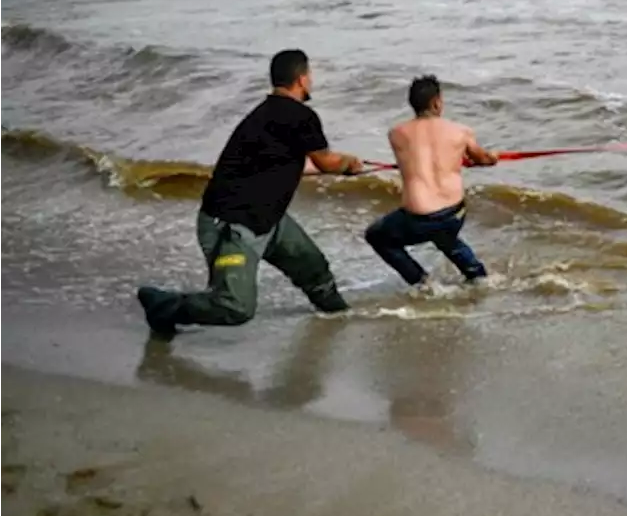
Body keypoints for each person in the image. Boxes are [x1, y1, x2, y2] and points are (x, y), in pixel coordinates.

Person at [136, 49, 366, 338]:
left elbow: (288, 163)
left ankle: (340, 320)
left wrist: (336, 165)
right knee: (235, 308)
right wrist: (349, 164)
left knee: (314, 270)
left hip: (267, 219)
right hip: (232, 224)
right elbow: (326, 161)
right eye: (311, 76)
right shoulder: (300, 116)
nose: (312, 81)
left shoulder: (265, 114)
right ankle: (162, 305)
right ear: (302, 79)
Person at [364, 74, 499, 289]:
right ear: (437, 102)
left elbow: (415, 159)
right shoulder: (462, 131)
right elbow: (482, 159)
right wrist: (492, 156)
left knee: (376, 236)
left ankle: (422, 282)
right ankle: (478, 275)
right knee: (444, 235)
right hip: (454, 214)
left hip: (417, 219)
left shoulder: (396, 134)